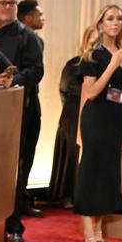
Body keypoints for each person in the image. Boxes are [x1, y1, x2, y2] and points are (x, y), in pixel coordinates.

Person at [73, 4, 122, 242]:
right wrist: (114, 64)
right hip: (95, 118)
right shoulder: (94, 54)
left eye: (119, 19)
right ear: (101, 23)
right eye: (110, 18)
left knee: (107, 171)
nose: (115, 23)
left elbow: (117, 89)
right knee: (90, 172)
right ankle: (87, 230)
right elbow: (92, 92)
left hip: (114, 118)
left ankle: (98, 227)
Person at [0, 0, 45, 242]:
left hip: (23, 112)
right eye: (3, 3)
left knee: (19, 169)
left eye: (12, 3)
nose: (8, 7)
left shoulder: (28, 37)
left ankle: (14, 224)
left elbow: (37, 71)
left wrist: (14, 80)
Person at [47, 28, 94, 208]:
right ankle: (67, 194)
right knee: (72, 152)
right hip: (73, 112)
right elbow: (64, 90)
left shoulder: (107, 65)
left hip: (96, 111)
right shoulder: (74, 64)